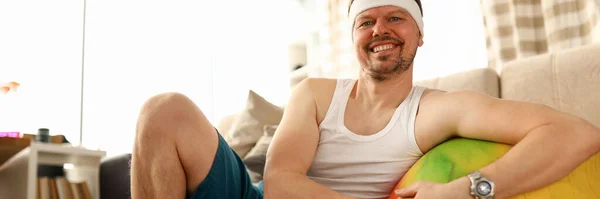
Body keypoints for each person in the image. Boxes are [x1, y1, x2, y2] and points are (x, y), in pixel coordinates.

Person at [130, 0, 600, 198]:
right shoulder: (314, 92)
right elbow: (279, 186)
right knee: (163, 110)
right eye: (366, 20)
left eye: (395, 18)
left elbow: (577, 134)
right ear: (354, 37)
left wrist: (463, 191)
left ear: (419, 36)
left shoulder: (438, 109)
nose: (380, 30)